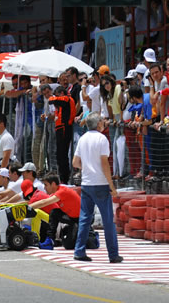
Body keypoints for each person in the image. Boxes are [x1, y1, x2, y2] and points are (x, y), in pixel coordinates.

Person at [72, 113, 122, 263]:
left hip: (87, 183)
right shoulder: (102, 139)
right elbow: (104, 164)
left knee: (85, 219)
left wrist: (86, 168)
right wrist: (111, 185)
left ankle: (79, 250)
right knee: (108, 220)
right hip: (100, 183)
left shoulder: (83, 139)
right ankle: (113, 254)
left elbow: (75, 162)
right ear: (98, 123)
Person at [28, 174, 80, 250]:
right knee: (54, 213)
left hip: (80, 219)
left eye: (46, 185)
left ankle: (90, 235)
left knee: (69, 245)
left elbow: (44, 202)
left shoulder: (62, 191)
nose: (44, 188)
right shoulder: (56, 192)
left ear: (53, 184)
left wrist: (27, 208)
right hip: (71, 217)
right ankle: (50, 240)